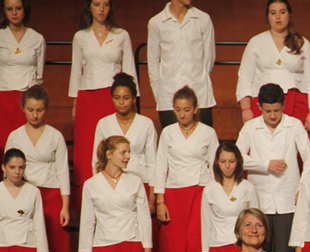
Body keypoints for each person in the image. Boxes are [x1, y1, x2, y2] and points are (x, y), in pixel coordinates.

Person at [5, 85, 74, 252]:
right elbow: (7, 171)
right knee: (26, 246)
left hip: (51, 193)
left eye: (40, 110)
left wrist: (65, 205)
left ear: (46, 109)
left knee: (53, 246)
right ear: (24, 109)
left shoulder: (55, 135)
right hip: (23, 193)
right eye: (31, 110)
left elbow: (63, 171)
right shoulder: (15, 135)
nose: (35, 115)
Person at [155, 86, 219, 252]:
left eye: (187, 110)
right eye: (178, 110)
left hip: (200, 193)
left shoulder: (208, 133)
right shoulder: (168, 133)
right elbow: (160, 165)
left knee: (196, 246)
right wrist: (160, 201)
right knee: (174, 248)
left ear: (196, 109)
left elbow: (215, 168)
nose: (182, 114)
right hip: (173, 193)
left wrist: (213, 199)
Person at [236, 83, 310, 252]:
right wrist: (265, 165)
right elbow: (236, 158)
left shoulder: (294, 125)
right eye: (268, 111)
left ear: (284, 105)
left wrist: (303, 188)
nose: (272, 116)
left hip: (288, 201)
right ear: (259, 107)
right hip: (260, 200)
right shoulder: (250, 127)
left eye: (277, 111)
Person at [69, 0, 138, 201]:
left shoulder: (121, 35)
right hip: (88, 98)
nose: (101, 9)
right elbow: (76, 72)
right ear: (89, 7)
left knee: (113, 144)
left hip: (113, 97)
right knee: (87, 149)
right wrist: (75, 101)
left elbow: (130, 71)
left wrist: (133, 101)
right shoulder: (80, 37)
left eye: (106, 5)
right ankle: (89, 200)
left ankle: (118, 194)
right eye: (97, 4)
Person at [236, 0, 310, 131]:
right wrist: (246, 109)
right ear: (267, 16)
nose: (278, 17)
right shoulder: (256, 42)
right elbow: (245, 77)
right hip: (263, 102)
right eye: (273, 13)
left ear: (290, 15)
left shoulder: (302, 43)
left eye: (282, 12)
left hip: (296, 101)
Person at [92, 73, 158, 210]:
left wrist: (152, 195)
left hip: (140, 181)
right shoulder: (104, 124)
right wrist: (99, 186)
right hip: (110, 184)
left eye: (126, 98)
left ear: (134, 98)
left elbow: (152, 162)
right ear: (112, 99)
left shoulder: (146, 124)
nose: (121, 102)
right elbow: (97, 160)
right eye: (117, 98)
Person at [147, 0, 216, 128]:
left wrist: (199, 79)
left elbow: (209, 58)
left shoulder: (202, 19)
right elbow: (152, 63)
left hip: (200, 95)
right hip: (168, 97)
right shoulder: (156, 23)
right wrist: (160, 95)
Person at [201, 142, 259, 252]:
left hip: (243, 248)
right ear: (217, 163)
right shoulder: (209, 189)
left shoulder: (248, 187)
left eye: (231, 162)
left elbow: (257, 223)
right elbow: (206, 224)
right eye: (223, 162)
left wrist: (256, 250)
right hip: (217, 248)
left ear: (238, 162)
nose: (227, 166)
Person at [0, 0, 44, 152]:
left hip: (26, 99)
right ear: (4, 11)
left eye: (18, 8)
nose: (14, 13)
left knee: (24, 144)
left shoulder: (37, 38)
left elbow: (39, 76)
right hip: (3, 98)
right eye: (9, 9)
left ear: (24, 10)